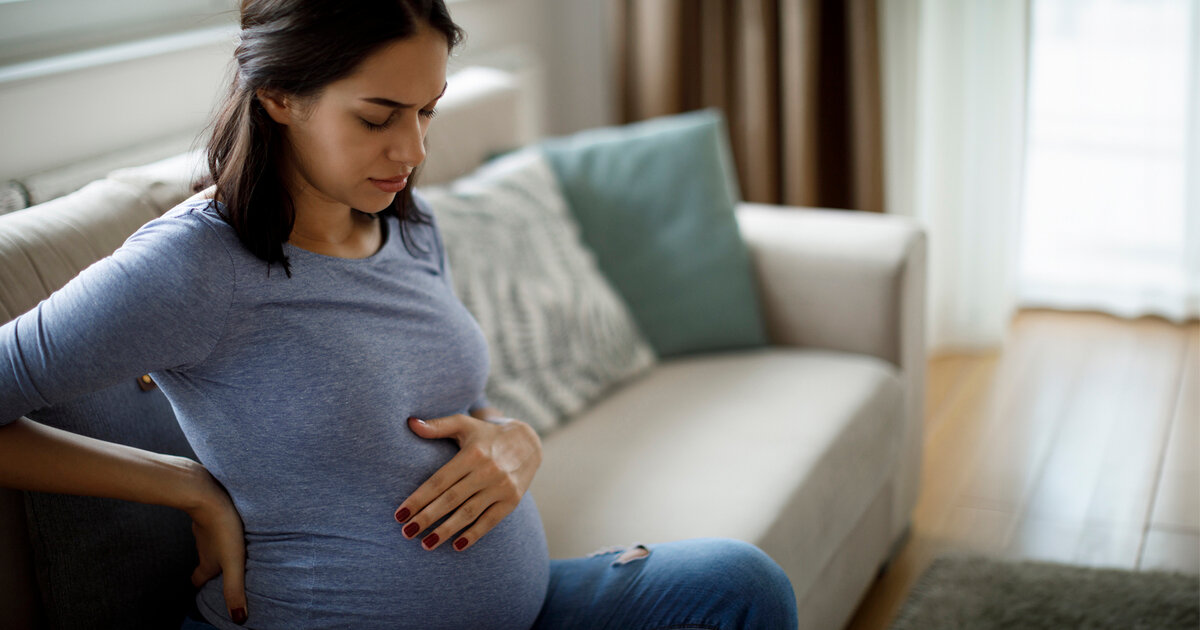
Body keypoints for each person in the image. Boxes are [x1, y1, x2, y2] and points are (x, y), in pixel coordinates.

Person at [0, 1, 799, 628]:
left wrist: (510, 440)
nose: (413, 150)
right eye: (378, 117)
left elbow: (452, 402)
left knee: (738, 587)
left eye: (428, 112)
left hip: (522, 605)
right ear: (278, 94)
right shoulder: (193, 265)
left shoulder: (407, 224)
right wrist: (187, 487)